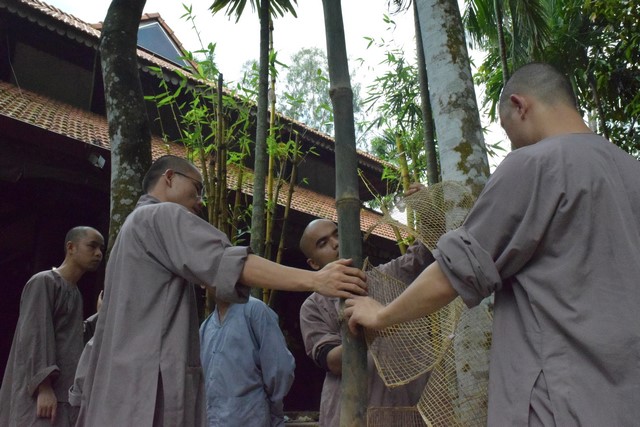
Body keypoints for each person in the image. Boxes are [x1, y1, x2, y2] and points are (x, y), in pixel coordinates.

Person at [345, 62, 640, 426]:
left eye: (506, 127)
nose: (512, 141)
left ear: (519, 105)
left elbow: (453, 273)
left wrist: (382, 315)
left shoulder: (534, 164)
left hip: (560, 401)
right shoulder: (632, 171)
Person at [75, 155, 366, 427]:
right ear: (169, 178)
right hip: (146, 396)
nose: (200, 201)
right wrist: (316, 280)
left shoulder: (130, 229)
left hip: (119, 395)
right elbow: (230, 263)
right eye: (197, 188)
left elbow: (279, 371)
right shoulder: (160, 215)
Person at [299, 213, 433, 427]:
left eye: (337, 234)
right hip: (352, 414)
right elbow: (331, 360)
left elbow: (424, 254)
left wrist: (428, 212)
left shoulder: (389, 275)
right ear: (313, 263)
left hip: (409, 408)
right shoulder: (313, 306)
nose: (336, 244)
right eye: (323, 243)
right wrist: (370, 327)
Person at [0, 226, 104, 427]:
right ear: (71, 247)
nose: (98, 253)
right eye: (92, 246)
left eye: (101, 248)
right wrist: (43, 386)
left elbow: (73, 337)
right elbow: (35, 333)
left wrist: (100, 316)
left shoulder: (75, 292)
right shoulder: (44, 281)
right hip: (40, 394)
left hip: (63, 394)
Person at [199, 295, 295, 427]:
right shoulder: (206, 327)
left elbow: (280, 367)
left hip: (251, 418)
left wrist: (274, 409)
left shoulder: (255, 310)